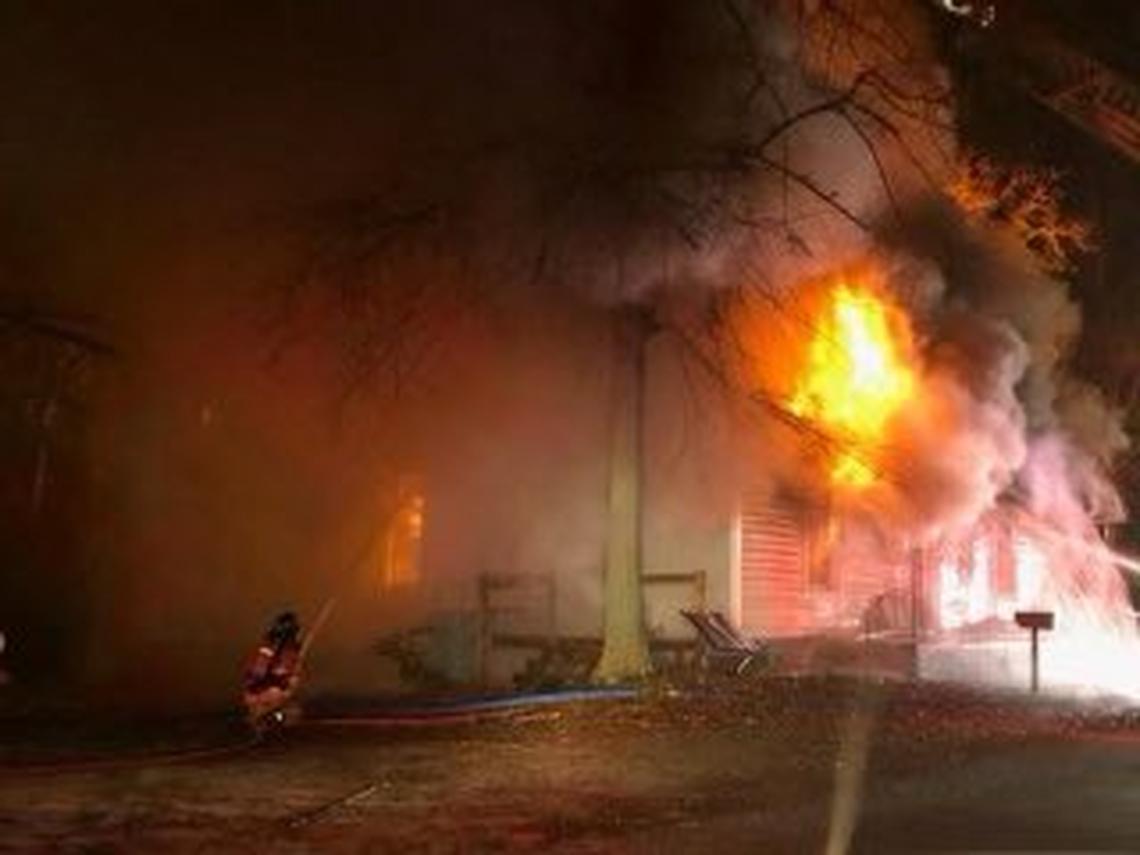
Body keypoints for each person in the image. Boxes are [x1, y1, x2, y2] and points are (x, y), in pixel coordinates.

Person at [242, 611, 304, 732]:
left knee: (291, 710)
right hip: (265, 695)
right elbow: (260, 673)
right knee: (291, 712)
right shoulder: (275, 649)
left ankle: (269, 719)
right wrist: (287, 682)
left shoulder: (275, 648)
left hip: (262, 695)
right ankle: (269, 719)